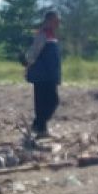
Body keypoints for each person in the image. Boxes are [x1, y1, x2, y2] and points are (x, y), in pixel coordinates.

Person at [23, 10, 62, 138]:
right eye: (56, 21)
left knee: (48, 102)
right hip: (42, 74)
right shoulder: (43, 34)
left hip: (49, 74)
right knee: (48, 102)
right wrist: (27, 67)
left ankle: (39, 127)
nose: (58, 23)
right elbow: (33, 53)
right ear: (49, 21)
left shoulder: (51, 35)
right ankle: (39, 126)